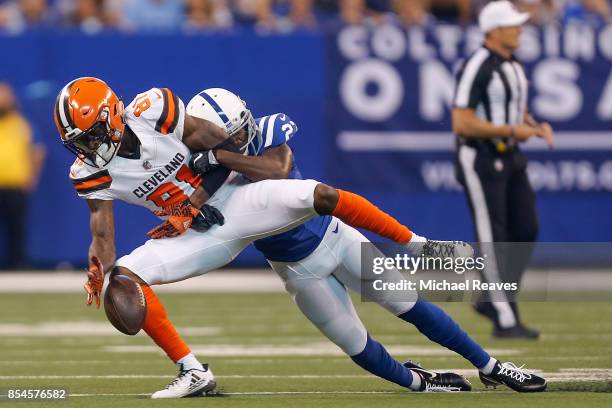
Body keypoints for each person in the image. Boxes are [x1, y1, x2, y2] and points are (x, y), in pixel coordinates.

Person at [55, 77, 472, 398]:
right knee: (123, 281)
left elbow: (224, 153)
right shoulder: (89, 170)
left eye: (90, 136)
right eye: (78, 143)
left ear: (113, 115)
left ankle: (419, 246)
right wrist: (100, 270)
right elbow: (102, 231)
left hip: (237, 200)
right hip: (198, 230)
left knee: (319, 194)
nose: (86, 149)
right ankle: (192, 370)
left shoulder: (154, 110)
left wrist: (194, 199)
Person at [187, 88, 548, 394]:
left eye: (240, 130)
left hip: (336, 237)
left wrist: (221, 155)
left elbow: (278, 171)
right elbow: (193, 212)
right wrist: (194, 210)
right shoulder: (200, 173)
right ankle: (421, 381)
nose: (241, 137)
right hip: (295, 268)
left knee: (411, 305)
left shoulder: (261, 134)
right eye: (229, 137)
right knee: (356, 345)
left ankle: (491, 366)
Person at [452, 1, 554, 339]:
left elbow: (511, 107)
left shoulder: (512, 64)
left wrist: (533, 125)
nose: (520, 30)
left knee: (526, 229)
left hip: (510, 155)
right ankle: (505, 317)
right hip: (480, 158)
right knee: (492, 237)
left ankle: (490, 300)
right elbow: (461, 121)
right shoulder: (477, 64)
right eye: (513, 25)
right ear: (494, 30)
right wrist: (511, 131)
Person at [0, 83, 45, 269]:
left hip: (15, 186)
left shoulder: (22, 125)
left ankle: (18, 265)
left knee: (16, 229)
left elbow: (38, 150)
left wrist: (32, 177)